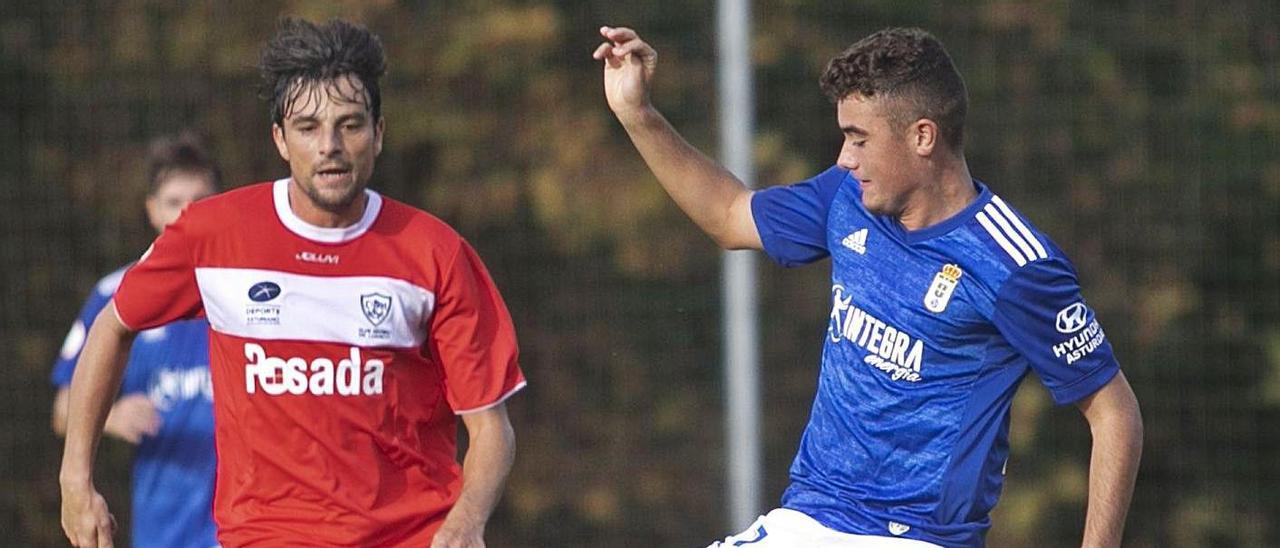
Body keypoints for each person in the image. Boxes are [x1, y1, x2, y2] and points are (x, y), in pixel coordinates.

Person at [594, 25, 1143, 547]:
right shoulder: (847, 199)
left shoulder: (1014, 264)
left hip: (914, 536)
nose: (844, 158)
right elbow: (731, 215)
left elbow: (1113, 413)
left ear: (922, 135)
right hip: (807, 517)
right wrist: (637, 112)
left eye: (858, 139)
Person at [60, 17, 526, 548]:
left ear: (378, 133)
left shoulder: (436, 253)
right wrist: (76, 480)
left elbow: (491, 428)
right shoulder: (212, 235)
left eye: (350, 124)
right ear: (280, 139)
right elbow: (112, 326)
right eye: (308, 127)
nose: (330, 145)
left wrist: (467, 521)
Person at [51, 132, 220, 548]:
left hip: (248, 528)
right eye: (174, 202)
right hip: (164, 530)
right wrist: (110, 415)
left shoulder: (253, 292)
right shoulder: (117, 297)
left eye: (200, 200)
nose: (188, 213)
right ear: (151, 210)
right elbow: (60, 409)